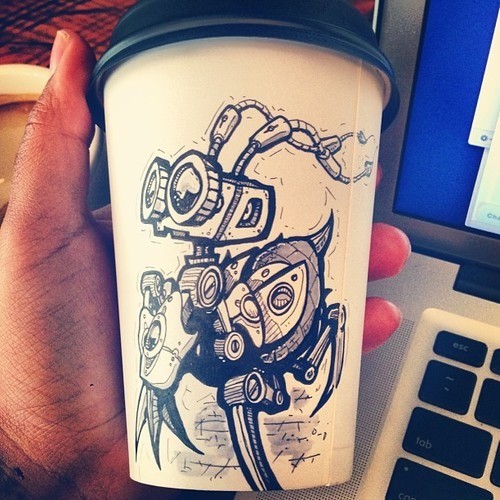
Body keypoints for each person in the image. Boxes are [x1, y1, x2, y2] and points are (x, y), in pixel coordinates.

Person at [0, 31, 410, 498]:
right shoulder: (207, 309)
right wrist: (33, 453)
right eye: (260, 281)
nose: (251, 297)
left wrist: (39, 463)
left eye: (277, 294)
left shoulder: (270, 337)